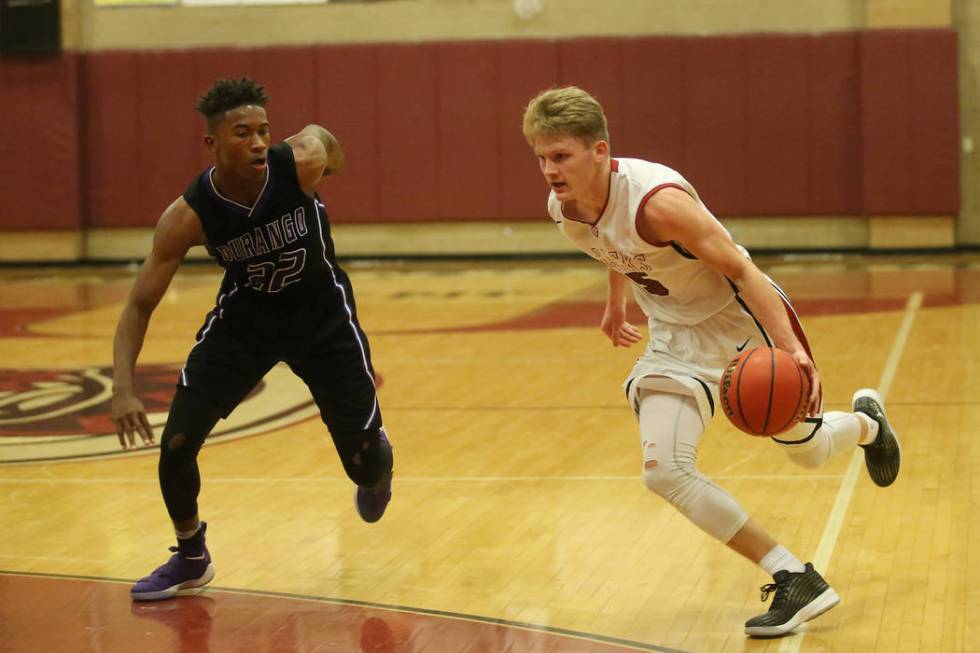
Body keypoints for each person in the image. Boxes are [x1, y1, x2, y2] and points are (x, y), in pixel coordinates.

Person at [521, 86, 901, 637]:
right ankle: (793, 576)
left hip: (740, 324)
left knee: (809, 451)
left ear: (599, 151)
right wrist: (615, 302)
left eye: (561, 156)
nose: (549, 170)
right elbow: (614, 246)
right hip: (674, 336)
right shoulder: (565, 209)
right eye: (540, 157)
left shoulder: (660, 202)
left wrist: (794, 351)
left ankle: (867, 425)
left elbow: (745, 272)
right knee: (665, 471)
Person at [112, 78, 393, 602]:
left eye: (264, 130)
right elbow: (138, 305)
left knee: (366, 466)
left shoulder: (300, 161)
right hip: (247, 322)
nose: (260, 142)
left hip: (322, 319)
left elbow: (328, 147)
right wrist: (123, 388)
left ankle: (376, 463)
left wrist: (324, 155)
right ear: (213, 145)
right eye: (242, 133)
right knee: (175, 446)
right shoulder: (187, 216)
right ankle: (191, 556)